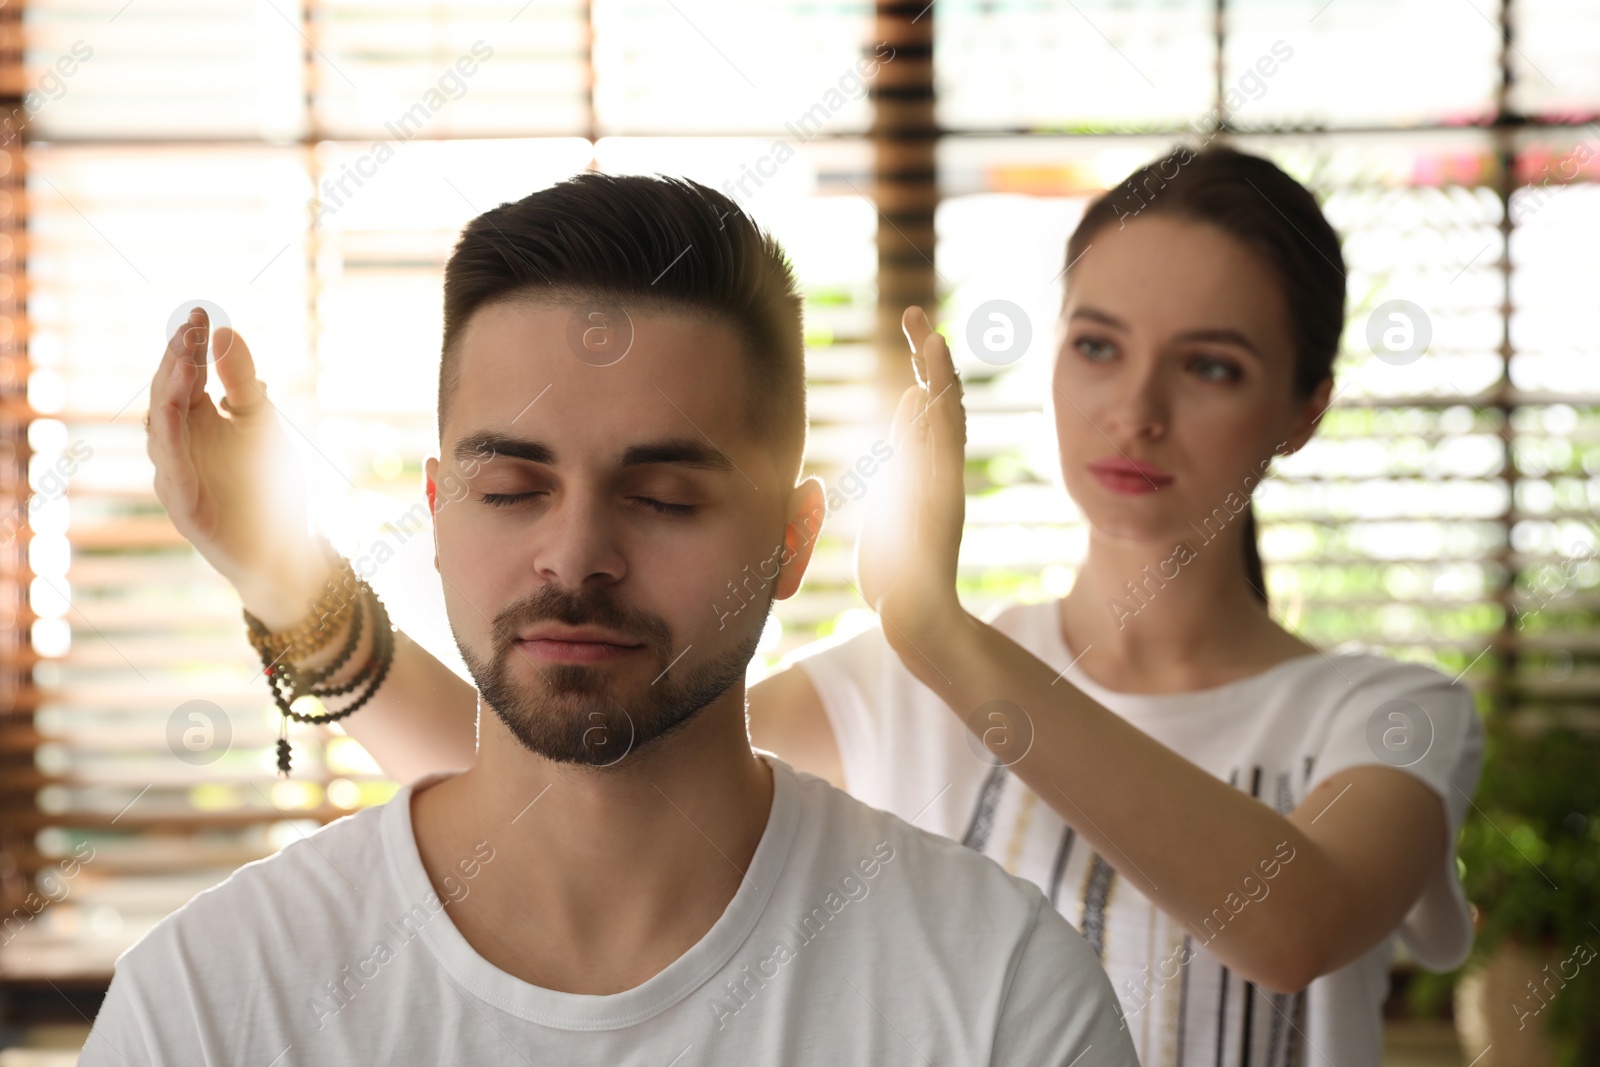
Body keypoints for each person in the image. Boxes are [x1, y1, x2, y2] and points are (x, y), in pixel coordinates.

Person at [216, 145, 1487, 1067]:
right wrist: (288, 585)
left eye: (1209, 364)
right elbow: (563, 777)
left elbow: (1290, 918)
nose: (1135, 408)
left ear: (1307, 407)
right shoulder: (899, 684)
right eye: (1096, 344)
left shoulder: (1387, 711)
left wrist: (933, 625)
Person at [89, 173, 1139, 1066]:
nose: (576, 554)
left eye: (665, 498)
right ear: (439, 515)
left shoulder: (996, 995)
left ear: (792, 541)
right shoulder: (209, 1005)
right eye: (509, 488)